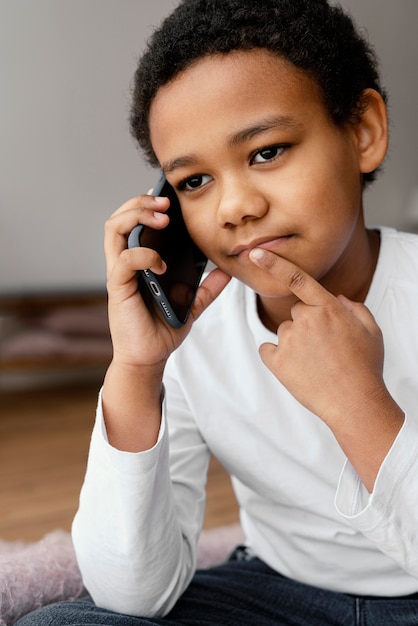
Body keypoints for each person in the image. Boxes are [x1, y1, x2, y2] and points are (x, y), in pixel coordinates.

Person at [16, 0, 418, 624]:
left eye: (266, 152)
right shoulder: (196, 333)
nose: (234, 207)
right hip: (275, 593)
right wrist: (136, 372)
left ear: (363, 131)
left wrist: (358, 405)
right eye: (194, 182)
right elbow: (134, 595)